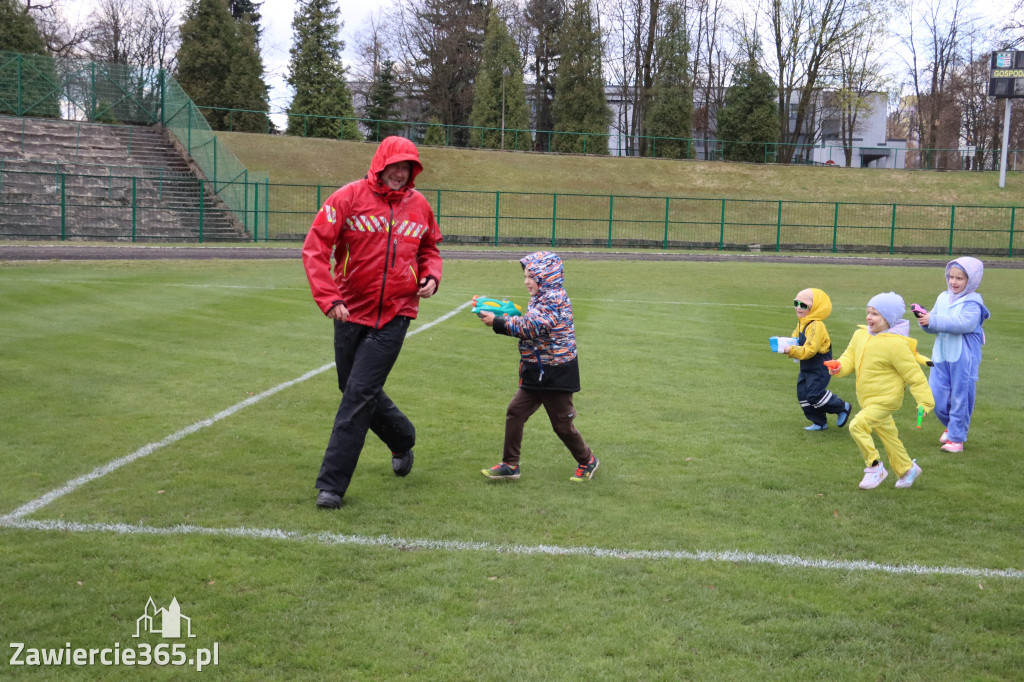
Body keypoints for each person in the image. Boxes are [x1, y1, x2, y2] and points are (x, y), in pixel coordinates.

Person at [302, 136, 443, 509]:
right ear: (380, 165)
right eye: (394, 167)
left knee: (358, 394)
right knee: (350, 385)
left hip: (397, 313)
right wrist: (329, 298)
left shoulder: (420, 206)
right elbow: (315, 248)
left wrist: (430, 276)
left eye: (407, 168)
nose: (400, 174)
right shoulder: (346, 199)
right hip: (348, 311)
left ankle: (331, 485)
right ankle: (402, 437)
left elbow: (429, 248)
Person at [476, 251, 597, 483]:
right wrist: (507, 314)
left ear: (546, 276)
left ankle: (588, 460)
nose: (526, 281)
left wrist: (498, 321)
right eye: (525, 276)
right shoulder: (541, 298)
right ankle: (510, 464)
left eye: (531, 276)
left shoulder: (553, 298)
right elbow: (530, 323)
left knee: (562, 425)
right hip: (537, 370)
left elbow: (532, 327)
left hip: (556, 372)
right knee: (515, 412)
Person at [828, 292, 935, 490]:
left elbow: (915, 377)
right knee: (888, 435)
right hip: (867, 398)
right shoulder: (860, 335)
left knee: (857, 426)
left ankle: (874, 466)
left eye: (876, 314)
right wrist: (838, 367)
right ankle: (907, 468)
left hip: (886, 400)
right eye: (868, 312)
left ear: (889, 319)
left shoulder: (896, 345)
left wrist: (925, 402)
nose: (869, 317)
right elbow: (848, 359)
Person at [915, 257, 990, 453]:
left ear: (971, 281)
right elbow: (934, 326)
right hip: (941, 356)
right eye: (951, 277)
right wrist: (925, 321)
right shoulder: (942, 297)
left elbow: (964, 324)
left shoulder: (973, 302)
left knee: (960, 397)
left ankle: (956, 439)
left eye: (960, 278)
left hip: (963, 358)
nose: (954, 282)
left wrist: (934, 320)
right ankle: (952, 427)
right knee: (935, 397)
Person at [779, 288, 851, 431]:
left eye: (803, 305)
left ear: (814, 308)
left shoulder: (816, 325)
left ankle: (842, 407)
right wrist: (784, 344)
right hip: (806, 367)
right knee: (803, 395)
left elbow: (811, 350)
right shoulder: (802, 323)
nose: (798, 307)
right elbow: (795, 340)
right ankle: (819, 422)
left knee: (814, 394)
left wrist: (791, 350)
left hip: (819, 366)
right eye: (796, 303)